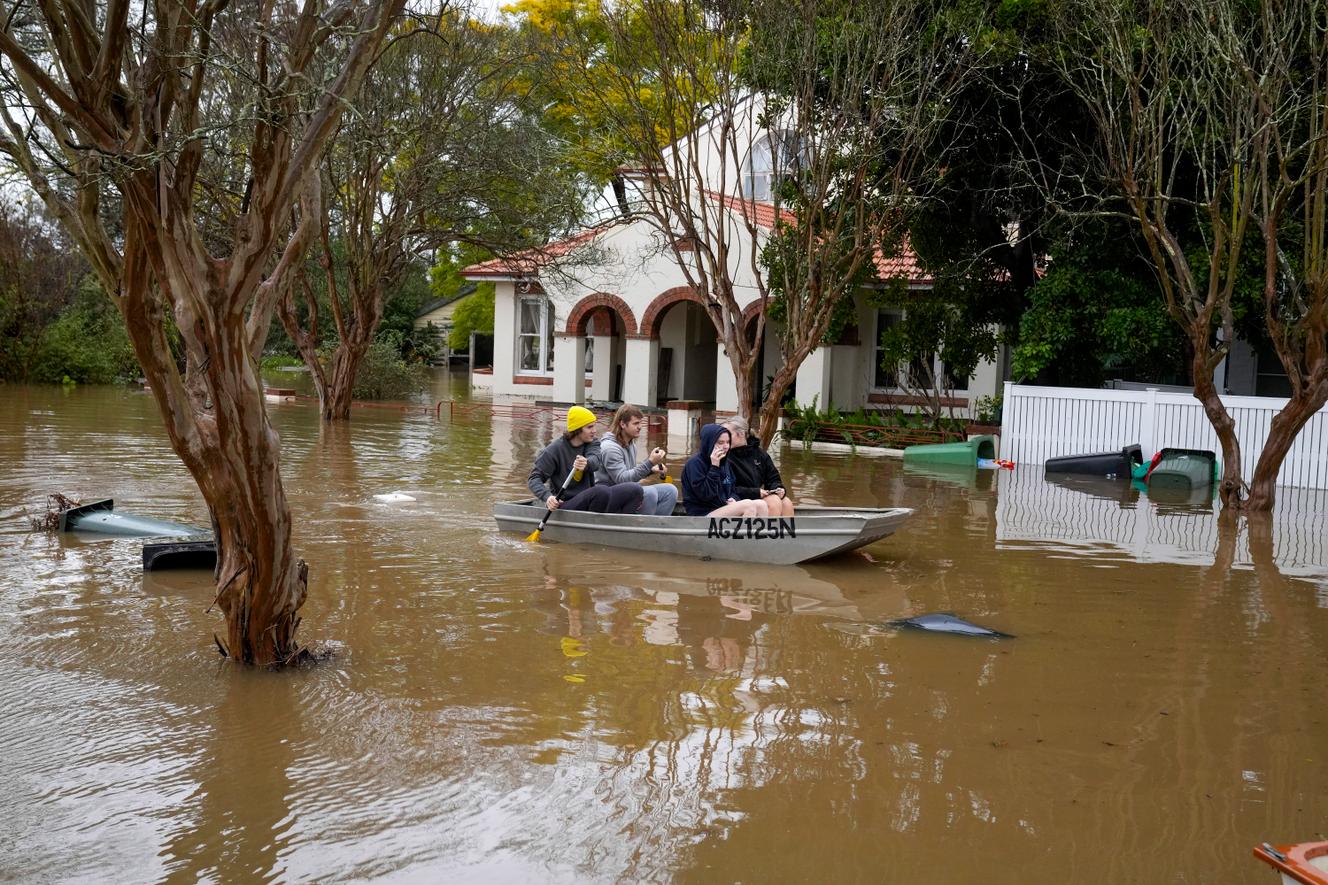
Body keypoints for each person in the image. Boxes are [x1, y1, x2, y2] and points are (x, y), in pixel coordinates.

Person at [528, 406, 643, 514]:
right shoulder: (553, 451)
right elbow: (534, 478)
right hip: (565, 503)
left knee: (635, 489)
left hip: (589, 498)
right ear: (577, 429)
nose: (594, 431)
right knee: (601, 491)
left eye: (594, 426)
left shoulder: (593, 443)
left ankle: (621, 526)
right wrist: (548, 497)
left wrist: (586, 463)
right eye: (589, 427)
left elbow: (595, 461)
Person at [595, 404, 679, 516]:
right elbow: (623, 479)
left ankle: (657, 528)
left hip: (628, 491)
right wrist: (649, 462)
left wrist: (651, 469)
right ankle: (642, 530)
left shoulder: (630, 443)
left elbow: (631, 474)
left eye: (640, 422)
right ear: (622, 424)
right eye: (636, 423)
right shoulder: (610, 448)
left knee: (670, 491)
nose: (640, 427)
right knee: (650, 493)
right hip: (608, 498)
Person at [680, 424, 771, 517]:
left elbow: (732, 489)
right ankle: (743, 531)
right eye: (721, 442)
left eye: (728, 442)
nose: (726, 446)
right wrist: (714, 467)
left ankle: (757, 532)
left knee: (761, 504)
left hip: (722, 508)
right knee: (748, 506)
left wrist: (733, 499)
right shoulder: (695, 463)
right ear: (709, 442)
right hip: (701, 514)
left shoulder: (725, 462)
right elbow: (705, 495)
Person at [721, 415, 795, 517]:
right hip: (736, 499)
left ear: (741, 433)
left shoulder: (759, 454)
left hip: (756, 496)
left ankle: (784, 533)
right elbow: (726, 488)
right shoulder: (723, 456)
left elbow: (773, 478)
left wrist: (778, 489)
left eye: (727, 435)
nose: (724, 438)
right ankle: (767, 533)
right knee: (773, 502)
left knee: (786, 503)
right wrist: (755, 492)